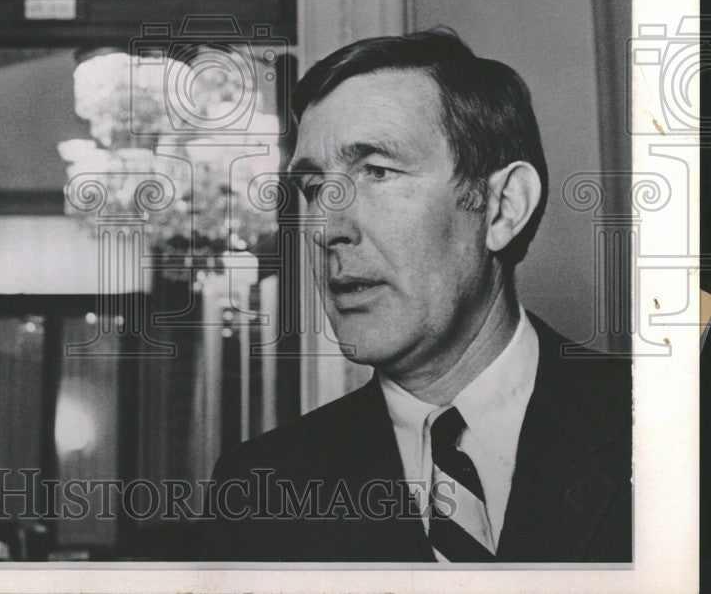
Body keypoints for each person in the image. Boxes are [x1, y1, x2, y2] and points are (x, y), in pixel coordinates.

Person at [200, 29, 631, 562]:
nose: (326, 228)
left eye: (377, 171)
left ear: (502, 209)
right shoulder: (260, 490)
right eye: (313, 188)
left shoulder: (672, 426)